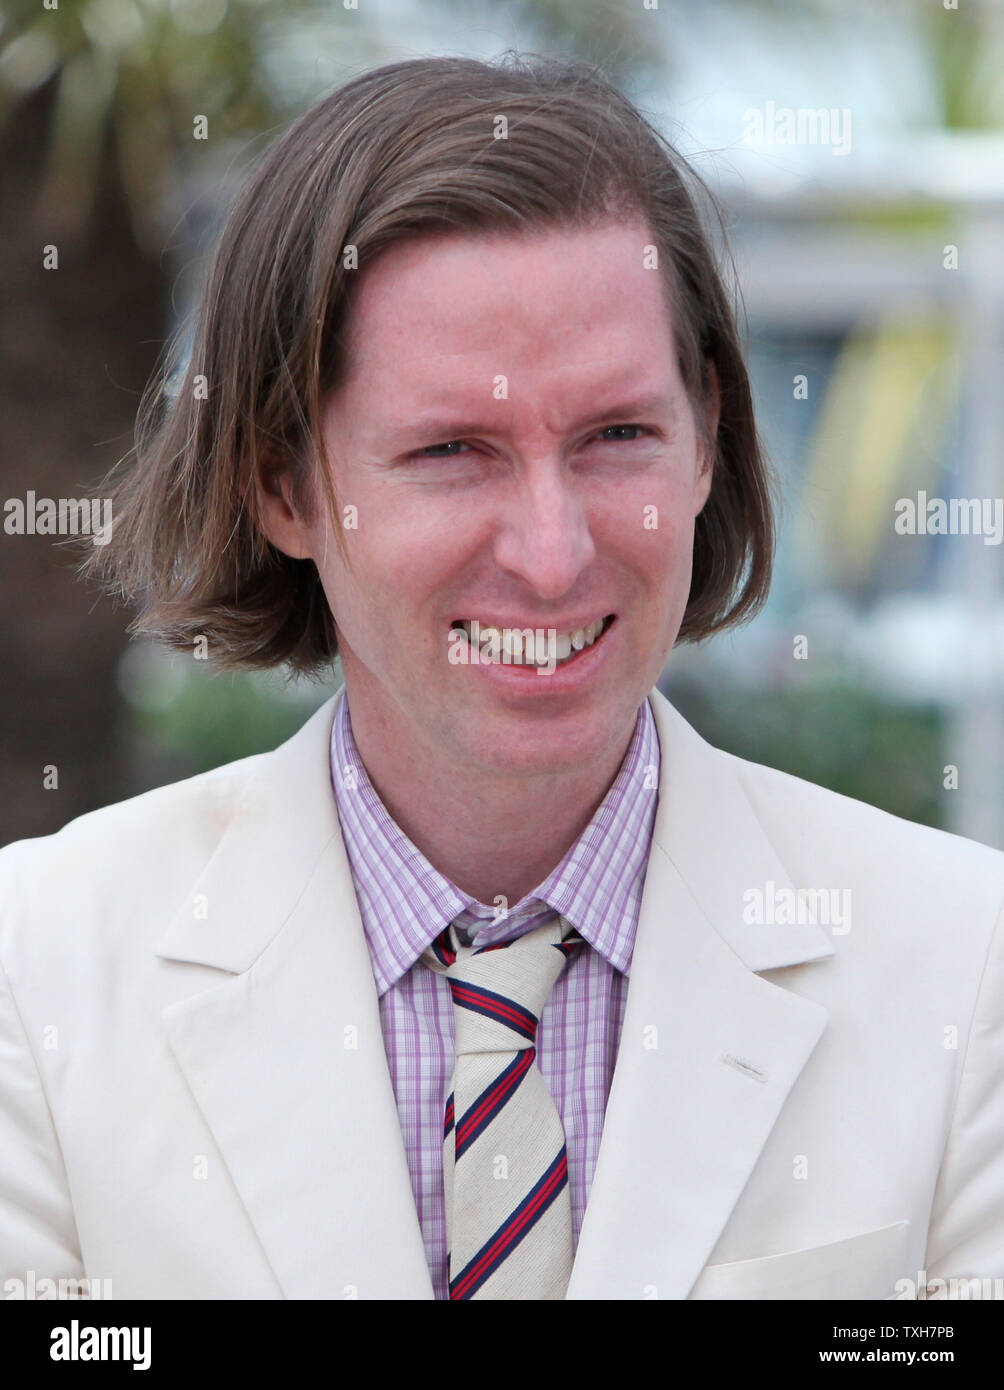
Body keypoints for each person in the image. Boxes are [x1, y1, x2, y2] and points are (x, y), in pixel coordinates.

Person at [1, 52, 1002, 1303]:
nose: (551, 552)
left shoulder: (967, 961)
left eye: (615, 436)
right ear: (283, 487)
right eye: (452, 450)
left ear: (705, 442)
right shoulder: (38, 973)